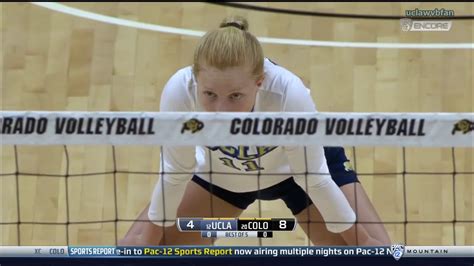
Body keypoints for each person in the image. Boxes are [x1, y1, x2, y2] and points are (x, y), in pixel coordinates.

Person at [119, 16, 391, 246]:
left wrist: (364, 243)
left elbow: (314, 180)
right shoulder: (180, 91)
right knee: (144, 248)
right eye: (210, 94)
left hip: (303, 172)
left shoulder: (286, 93)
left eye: (235, 96)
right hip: (221, 175)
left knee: (370, 255)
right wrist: (148, 243)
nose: (220, 111)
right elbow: (174, 175)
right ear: (195, 80)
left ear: (260, 82)